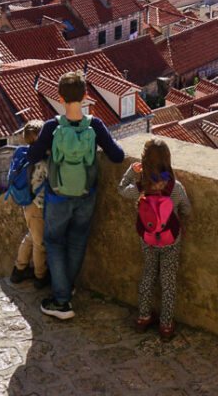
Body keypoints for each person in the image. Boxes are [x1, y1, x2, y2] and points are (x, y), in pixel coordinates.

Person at [27, 70, 125, 320]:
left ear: (60, 97)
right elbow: (117, 156)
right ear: (85, 96)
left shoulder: (51, 127)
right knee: (77, 241)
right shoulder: (95, 125)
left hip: (58, 194)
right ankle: (66, 287)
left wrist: (49, 151)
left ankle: (61, 301)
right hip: (86, 194)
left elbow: (32, 156)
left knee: (54, 242)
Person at [118, 137, 191, 340]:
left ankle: (143, 317)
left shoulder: (140, 189)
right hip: (171, 240)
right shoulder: (175, 188)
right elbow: (187, 209)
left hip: (148, 238)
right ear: (168, 160)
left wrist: (132, 171)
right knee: (168, 281)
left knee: (148, 275)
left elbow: (121, 189)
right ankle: (166, 325)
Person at [9, 120, 50, 288]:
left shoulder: (25, 153)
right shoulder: (41, 159)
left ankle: (19, 270)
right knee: (40, 242)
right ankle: (40, 276)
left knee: (32, 236)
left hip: (27, 202)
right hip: (37, 206)